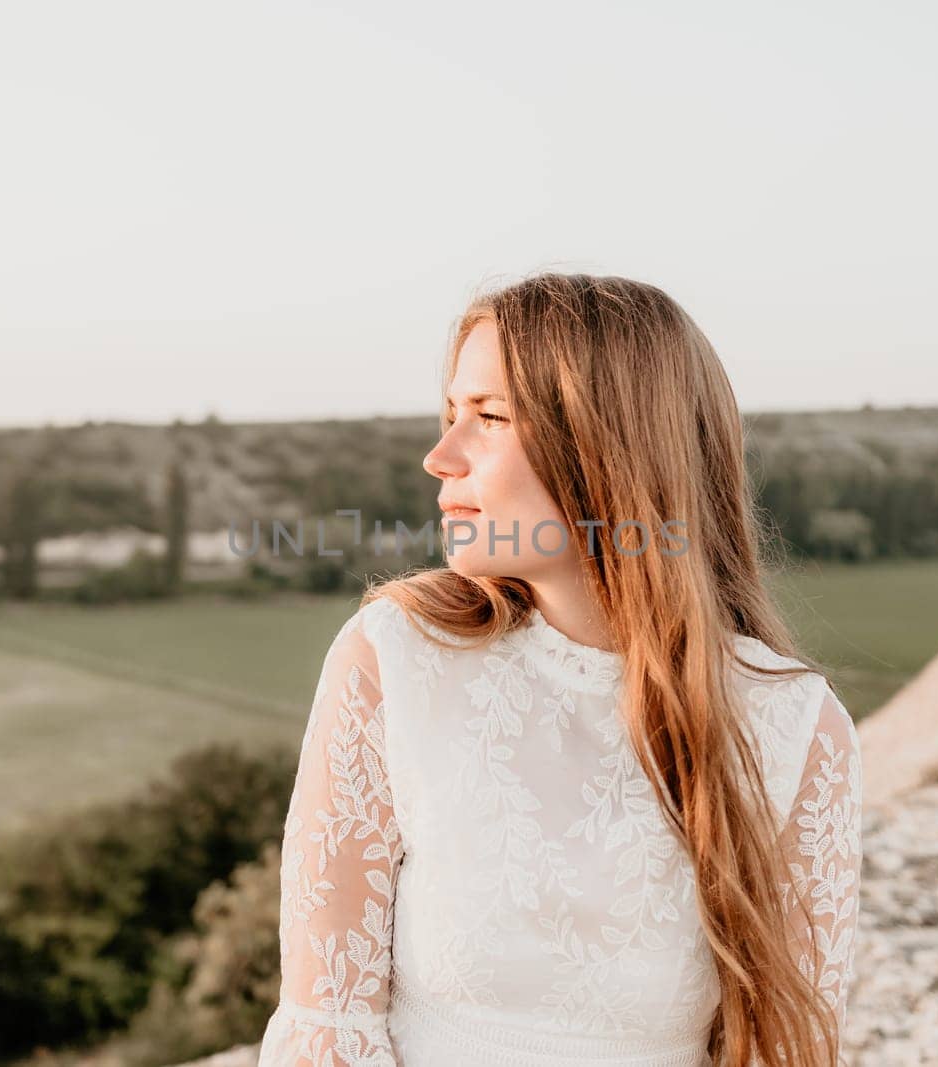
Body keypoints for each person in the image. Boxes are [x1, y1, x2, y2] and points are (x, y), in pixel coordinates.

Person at [256, 273, 863, 1067]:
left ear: (606, 445)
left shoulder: (795, 728)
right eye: (450, 415)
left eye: (489, 418)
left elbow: (784, 1053)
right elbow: (325, 1031)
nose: (441, 457)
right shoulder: (395, 662)